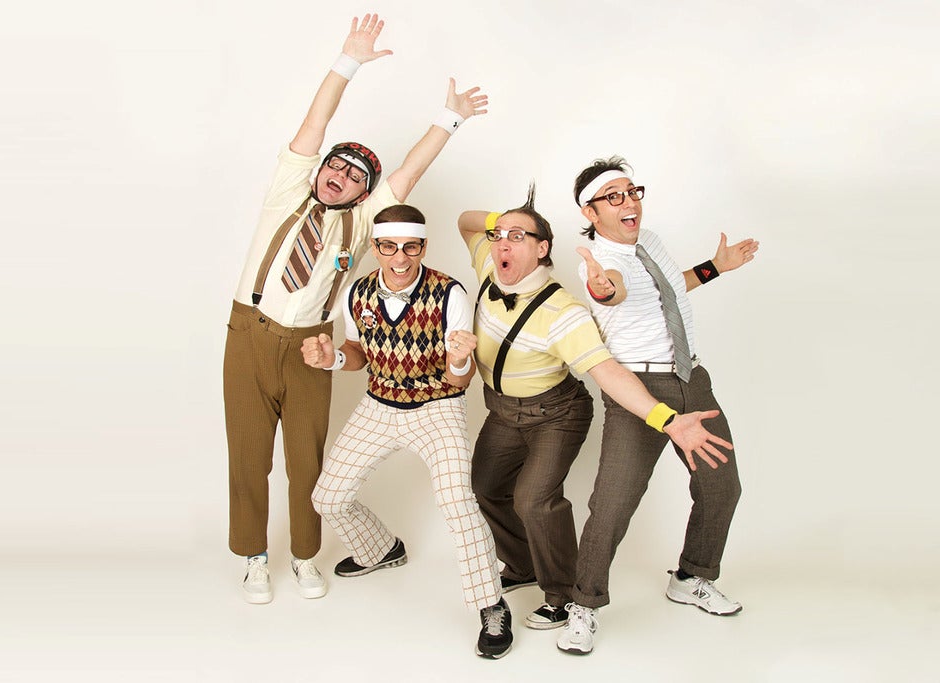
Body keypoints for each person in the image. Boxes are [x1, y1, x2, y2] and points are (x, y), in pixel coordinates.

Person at [223, 13, 489, 605]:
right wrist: (347, 61)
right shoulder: (286, 192)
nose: (339, 176)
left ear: (365, 192)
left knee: (306, 458)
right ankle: (254, 557)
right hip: (249, 333)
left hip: (311, 343)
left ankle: (303, 556)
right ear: (318, 171)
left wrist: (450, 118)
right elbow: (314, 124)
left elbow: (410, 172)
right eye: (334, 166)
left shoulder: (366, 223)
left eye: (354, 176)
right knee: (248, 453)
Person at [456, 187, 733, 636]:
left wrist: (666, 419)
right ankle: (524, 565)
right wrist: (504, 222)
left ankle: (562, 596)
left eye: (518, 237)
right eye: (499, 235)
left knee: (533, 500)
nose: (502, 243)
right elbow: (466, 221)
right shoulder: (490, 261)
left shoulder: (565, 312)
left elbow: (607, 370)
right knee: (485, 488)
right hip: (502, 410)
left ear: (542, 249)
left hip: (555, 412)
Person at [557, 157, 758, 655]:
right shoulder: (599, 263)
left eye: (632, 192)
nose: (629, 202)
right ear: (590, 211)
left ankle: (691, 577)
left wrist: (716, 267)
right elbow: (613, 290)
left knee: (722, 487)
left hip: (692, 378)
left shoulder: (650, 241)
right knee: (613, 504)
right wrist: (603, 288)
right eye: (614, 196)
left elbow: (666, 288)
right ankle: (583, 605)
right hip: (638, 389)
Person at [303, 206, 513, 659]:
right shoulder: (357, 291)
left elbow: (460, 380)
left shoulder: (449, 293)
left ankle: (491, 604)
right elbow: (357, 351)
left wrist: (460, 359)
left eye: (410, 247)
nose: (400, 258)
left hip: (437, 406)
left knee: (457, 502)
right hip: (379, 405)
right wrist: (331, 359)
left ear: (423, 247)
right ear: (375, 247)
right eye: (389, 247)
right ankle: (381, 549)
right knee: (328, 498)